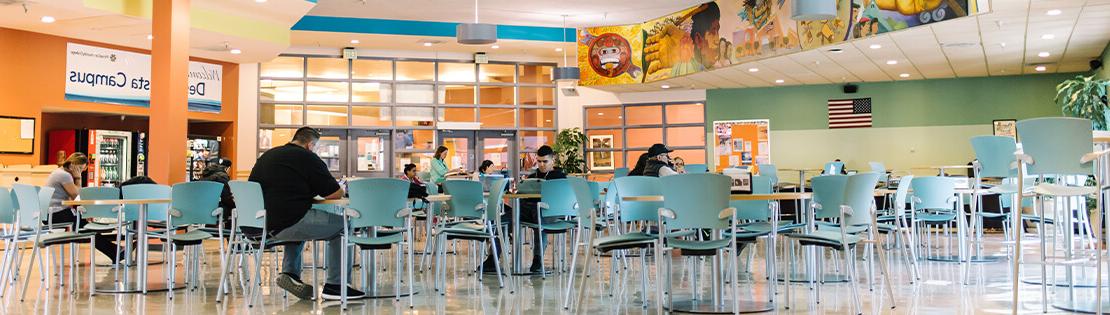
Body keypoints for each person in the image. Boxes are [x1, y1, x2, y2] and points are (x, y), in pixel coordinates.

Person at [248, 127, 362, 300]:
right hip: (286, 223)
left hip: (256, 225)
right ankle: (336, 286)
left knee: (298, 218)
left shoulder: (267, 156)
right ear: (310, 145)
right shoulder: (308, 157)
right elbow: (333, 193)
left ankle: (290, 273)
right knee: (343, 226)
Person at [481, 145, 565, 273]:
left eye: (545, 161)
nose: (541, 165)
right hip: (526, 210)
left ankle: (538, 259)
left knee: (539, 221)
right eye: (539, 161)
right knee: (499, 222)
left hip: (548, 212)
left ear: (553, 160)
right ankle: (493, 258)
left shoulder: (560, 177)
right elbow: (521, 195)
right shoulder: (531, 177)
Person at [44, 153, 120, 264]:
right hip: (55, 214)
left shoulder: (59, 172)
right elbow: (77, 197)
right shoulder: (65, 175)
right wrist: (78, 177)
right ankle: (114, 251)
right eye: (80, 169)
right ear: (74, 166)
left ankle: (114, 251)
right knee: (85, 227)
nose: (81, 172)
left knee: (84, 226)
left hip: (51, 214)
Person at [199, 157, 235, 225]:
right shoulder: (222, 176)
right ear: (228, 168)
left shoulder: (205, 175)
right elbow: (226, 197)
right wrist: (236, 205)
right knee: (232, 209)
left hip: (202, 208)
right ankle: (228, 234)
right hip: (215, 210)